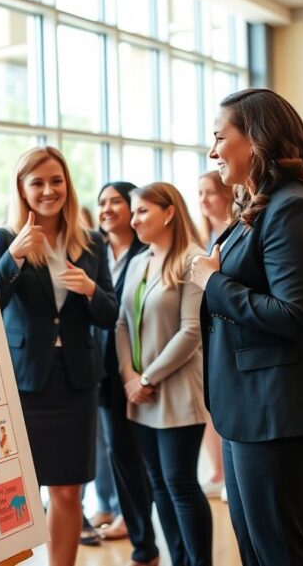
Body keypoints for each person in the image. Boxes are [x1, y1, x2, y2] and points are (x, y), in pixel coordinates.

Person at [190, 88, 303, 565]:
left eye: (220, 137)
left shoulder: (293, 207)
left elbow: (294, 316)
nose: (212, 151)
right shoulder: (262, 205)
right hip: (253, 407)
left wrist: (214, 282)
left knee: (281, 552)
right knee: (258, 548)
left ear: (256, 140)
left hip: (279, 409)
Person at [0, 146, 118, 566]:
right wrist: (16, 256)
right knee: (18, 492)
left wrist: (91, 291)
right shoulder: (3, 240)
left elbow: (110, 313)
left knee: (68, 491)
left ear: (67, 184)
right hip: (24, 384)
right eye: (38, 182)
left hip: (76, 382)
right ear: (22, 189)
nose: (48, 190)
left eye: (56, 180)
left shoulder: (92, 242)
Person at [117, 182, 212, 566]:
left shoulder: (192, 261)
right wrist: (129, 376)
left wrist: (145, 379)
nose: (133, 219)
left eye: (142, 211)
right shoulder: (139, 261)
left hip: (175, 392)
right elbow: (121, 324)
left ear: (169, 212)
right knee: (158, 485)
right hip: (139, 393)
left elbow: (190, 332)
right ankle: (179, 560)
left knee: (181, 484)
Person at [92, 181, 159, 566]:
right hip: (102, 369)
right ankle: (141, 541)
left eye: (116, 201)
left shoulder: (146, 251)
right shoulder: (93, 252)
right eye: (102, 202)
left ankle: (144, 537)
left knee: (142, 456)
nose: (107, 209)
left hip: (140, 369)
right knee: (119, 453)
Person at [195, 170, 232, 501]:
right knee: (209, 408)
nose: (204, 200)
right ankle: (217, 471)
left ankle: (225, 473)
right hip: (206, 336)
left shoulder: (234, 232)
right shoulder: (204, 236)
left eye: (210, 192)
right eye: (200, 194)